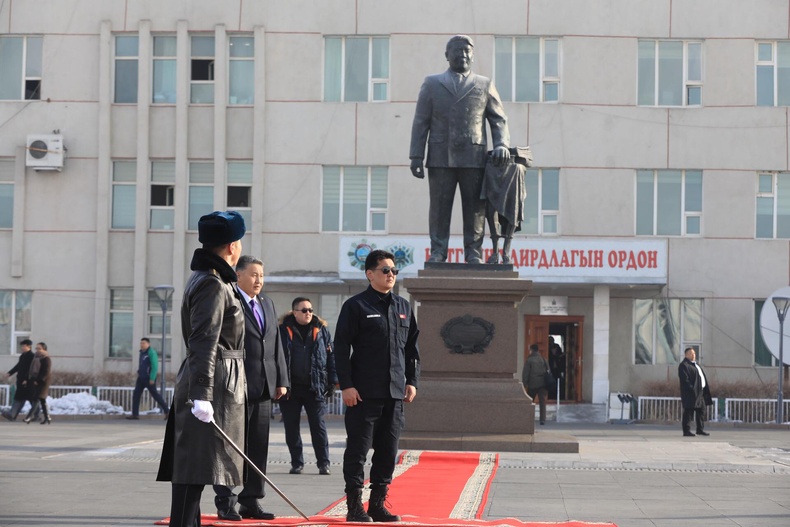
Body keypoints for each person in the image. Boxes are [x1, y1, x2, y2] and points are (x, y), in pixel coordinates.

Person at [156, 211, 248, 527]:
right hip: (215, 383)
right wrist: (201, 392)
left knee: (195, 471)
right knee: (192, 471)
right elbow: (204, 340)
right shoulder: (212, 283)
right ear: (232, 246)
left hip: (217, 380)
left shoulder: (212, 278)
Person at [334, 249, 420, 522]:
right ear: (370, 274)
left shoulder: (404, 307)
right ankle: (354, 506)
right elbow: (340, 349)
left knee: (387, 451)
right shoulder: (356, 306)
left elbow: (412, 349)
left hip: (395, 394)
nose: (391, 275)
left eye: (394, 271)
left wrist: (412, 381)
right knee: (358, 451)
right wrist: (346, 385)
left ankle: (377, 504)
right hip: (363, 394)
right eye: (385, 270)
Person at [410, 34, 511, 264]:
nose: (462, 54)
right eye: (457, 50)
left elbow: (498, 119)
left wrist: (502, 145)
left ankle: (473, 252)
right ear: (447, 55)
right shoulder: (432, 83)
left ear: (472, 55)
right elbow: (420, 121)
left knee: (475, 208)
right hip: (440, 156)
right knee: (439, 209)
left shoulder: (484, 84)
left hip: (473, 157)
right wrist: (416, 155)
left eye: (467, 50)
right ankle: (438, 251)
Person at [212, 255, 289, 521]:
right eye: (254, 275)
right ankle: (226, 501)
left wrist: (281, 379)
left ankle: (251, 500)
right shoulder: (228, 299)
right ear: (239, 274)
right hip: (236, 386)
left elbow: (276, 343)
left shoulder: (266, 303)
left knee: (258, 447)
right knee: (232, 447)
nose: (259, 280)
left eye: (262, 276)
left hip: (265, 386)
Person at [279, 297, 338, 476]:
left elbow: (331, 357)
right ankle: (297, 463)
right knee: (291, 427)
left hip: (315, 387)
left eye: (310, 310)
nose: (309, 313)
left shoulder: (321, 330)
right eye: (304, 310)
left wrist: (332, 382)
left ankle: (324, 463)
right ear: (294, 312)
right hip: (290, 388)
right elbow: (277, 358)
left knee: (318, 426)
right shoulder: (282, 331)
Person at [126, 338, 169, 420]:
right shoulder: (142, 353)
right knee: (136, 395)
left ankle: (167, 411)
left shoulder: (151, 353)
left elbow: (154, 366)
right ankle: (135, 414)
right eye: (141, 343)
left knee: (155, 395)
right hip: (141, 378)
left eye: (144, 343)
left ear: (148, 344)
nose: (142, 345)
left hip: (149, 378)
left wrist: (152, 378)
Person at [678, 347, 713, 437]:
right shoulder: (684, 365)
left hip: (700, 392)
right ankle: (686, 431)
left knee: (701, 410)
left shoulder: (696, 365)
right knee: (688, 412)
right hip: (691, 393)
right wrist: (691, 389)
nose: (693, 355)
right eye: (691, 353)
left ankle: (700, 429)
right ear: (686, 355)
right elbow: (685, 380)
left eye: (694, 353)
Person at [3, 339, 34, 422]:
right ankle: (12, 415)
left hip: (27, 382)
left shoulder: (31, 356)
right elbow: (18, 366)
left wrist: (26, 379)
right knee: (19, 398)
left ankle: (35, 415)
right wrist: (9, 373)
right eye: (22, 346)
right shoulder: (23, 356)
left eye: (24, 346)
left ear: (29, 346)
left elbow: (31, 370)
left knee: (31, 400)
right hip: (20, 380)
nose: (22, 348)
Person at [23, 342, 53, 425]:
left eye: (39, 348)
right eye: (36, 348)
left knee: (36, 399)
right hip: (35, 380)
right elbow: (30, 370)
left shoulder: (46, 359)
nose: (37, 350)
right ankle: (47, 417)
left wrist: (39, 380)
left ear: (44, 349)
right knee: (42, 400)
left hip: (43, 382)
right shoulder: (35, 358)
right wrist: (27, 378)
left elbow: (46, 372)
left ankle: (29, 416)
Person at [522, 343, 549, 425]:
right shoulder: (544, 359)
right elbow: (548, 371)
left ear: (531, 350)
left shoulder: (529, 360)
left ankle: (528, 418)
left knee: (530, 401)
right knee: (542, 402)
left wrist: (525, 384)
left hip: (532, 384)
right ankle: (542, 419)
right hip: (543, 384)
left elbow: (525, 373)